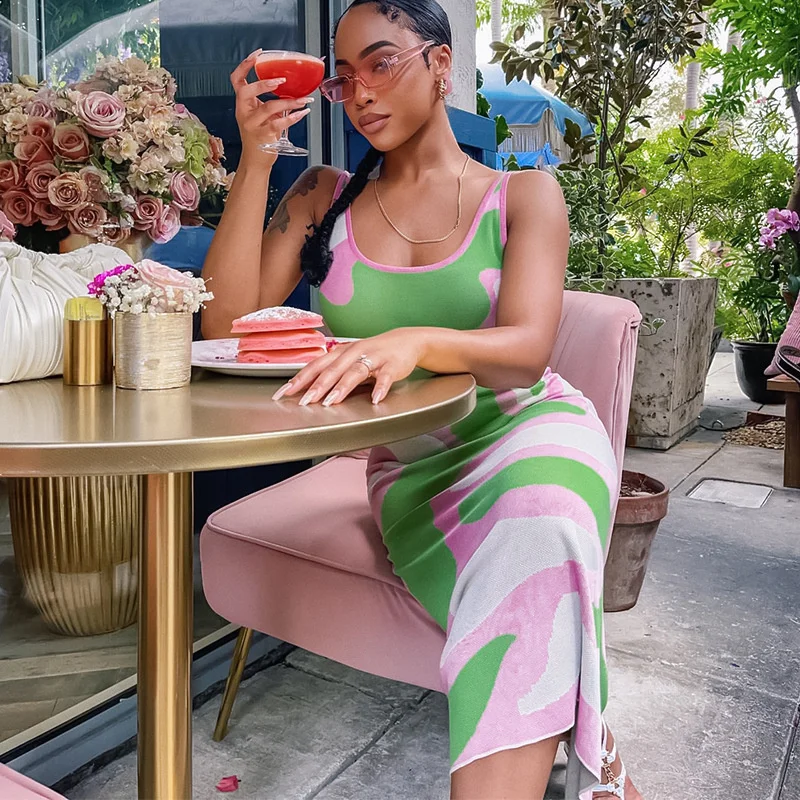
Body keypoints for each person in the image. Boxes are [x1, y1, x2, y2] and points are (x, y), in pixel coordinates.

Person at [202, 1, 642, 798]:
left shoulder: (524, 193)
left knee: (541, 521)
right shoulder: (323, 195)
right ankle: (600, 760)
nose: (361, 92)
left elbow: (526, 351)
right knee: (533, 554)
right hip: (415, 473)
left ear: (441, 65)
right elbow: (226, 324)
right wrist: (257, 157)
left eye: (382, 63)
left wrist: (413, 342)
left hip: (529, 431)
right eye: (344, 78)